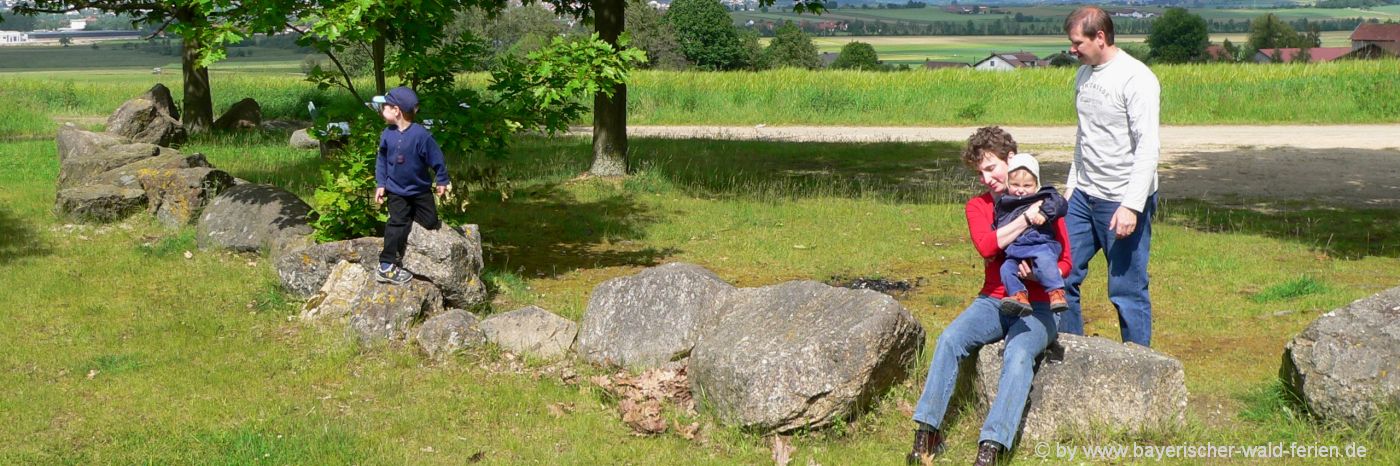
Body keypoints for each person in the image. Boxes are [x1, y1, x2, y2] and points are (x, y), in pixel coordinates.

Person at [907, 127, 1071, 466]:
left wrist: (1039, 274)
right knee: (950, 338)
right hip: (994, 300)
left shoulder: (1047, 201)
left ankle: (991, 447)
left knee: (1018, 353)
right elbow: (986, 246)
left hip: (1040, 305)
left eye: (991, 168)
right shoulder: (978, 207)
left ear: (1011, 159)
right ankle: (927, 433)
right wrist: (1026, 218)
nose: (986, 178)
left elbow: (1067, 262)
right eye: (980, 172)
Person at [1062, 6, 1161, 347]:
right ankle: (1071, 355)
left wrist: (1131, 206)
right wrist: (1071, 188)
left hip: (1121, 199)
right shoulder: (1084, 75)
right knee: (1060, 273)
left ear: (1100, 37)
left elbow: (1148, 147)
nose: (1072, 49)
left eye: (1078, 42)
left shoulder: (1136, 79)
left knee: (1126, 290)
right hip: (1082, 196)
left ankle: (1140, 367)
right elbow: (1084, 137)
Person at [372, 86, 451, 285]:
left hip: (420, 190)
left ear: (396, 110)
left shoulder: (421, 135)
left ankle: (407, 216)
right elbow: (381, 161)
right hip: (396, 191)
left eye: (384, 106)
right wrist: (381, 184)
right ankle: (386, 265)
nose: (381, 110)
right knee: (397, 223)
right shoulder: (387, 134)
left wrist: (442, 179)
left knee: (430, 222)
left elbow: (437, 158)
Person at [994, 153, 1069, 316]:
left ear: (1036, 185)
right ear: (1008, 183)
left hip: (1039, 244)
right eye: (1015, 184)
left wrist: (1044, 213)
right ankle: (1018, 295)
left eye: (1027, 185)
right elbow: (998, 224)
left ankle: (1056, 292)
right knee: (1006, 269)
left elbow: (1061, 204)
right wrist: (994, 252)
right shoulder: (1005, 203)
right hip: (1016, 249)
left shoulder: (1045, 196)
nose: (1020, 190)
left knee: (1045, 261)